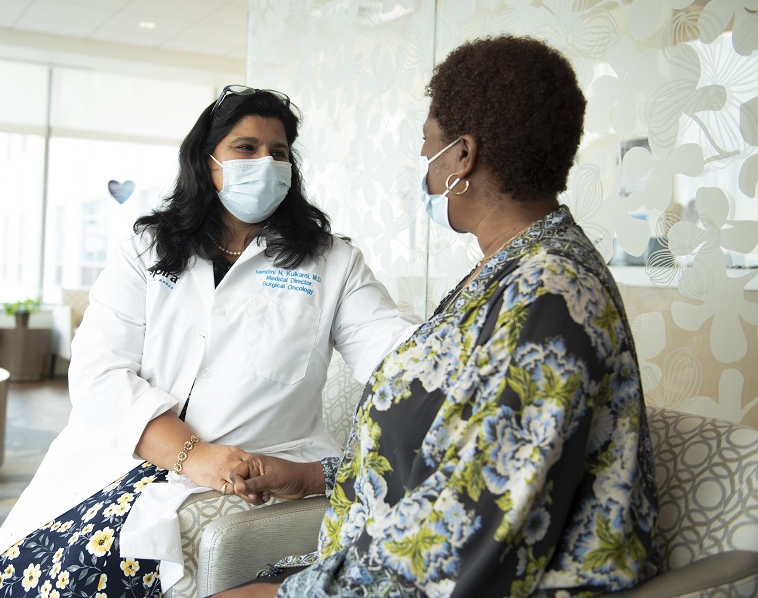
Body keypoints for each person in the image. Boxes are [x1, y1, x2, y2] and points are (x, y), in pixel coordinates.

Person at [213, 36, 660, 598]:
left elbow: (473, 532)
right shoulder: (503, 273)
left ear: (462, 157)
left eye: (429, 148)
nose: (424, 169)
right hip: (383, 557)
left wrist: (296, 593)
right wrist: (308, 476)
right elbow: (445, 447)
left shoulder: (551, 293)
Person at [0, 85, 422, 598]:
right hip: (132, 454)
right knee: (23, 570)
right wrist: (194, 455)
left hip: (253, 469)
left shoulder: (331, 262)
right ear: (206, 162)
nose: (266, 163)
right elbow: (99, 372)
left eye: (279, 153)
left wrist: (467, 340)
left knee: (101, 575)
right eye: (246, 148)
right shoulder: (147, 249)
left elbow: (395, 352)